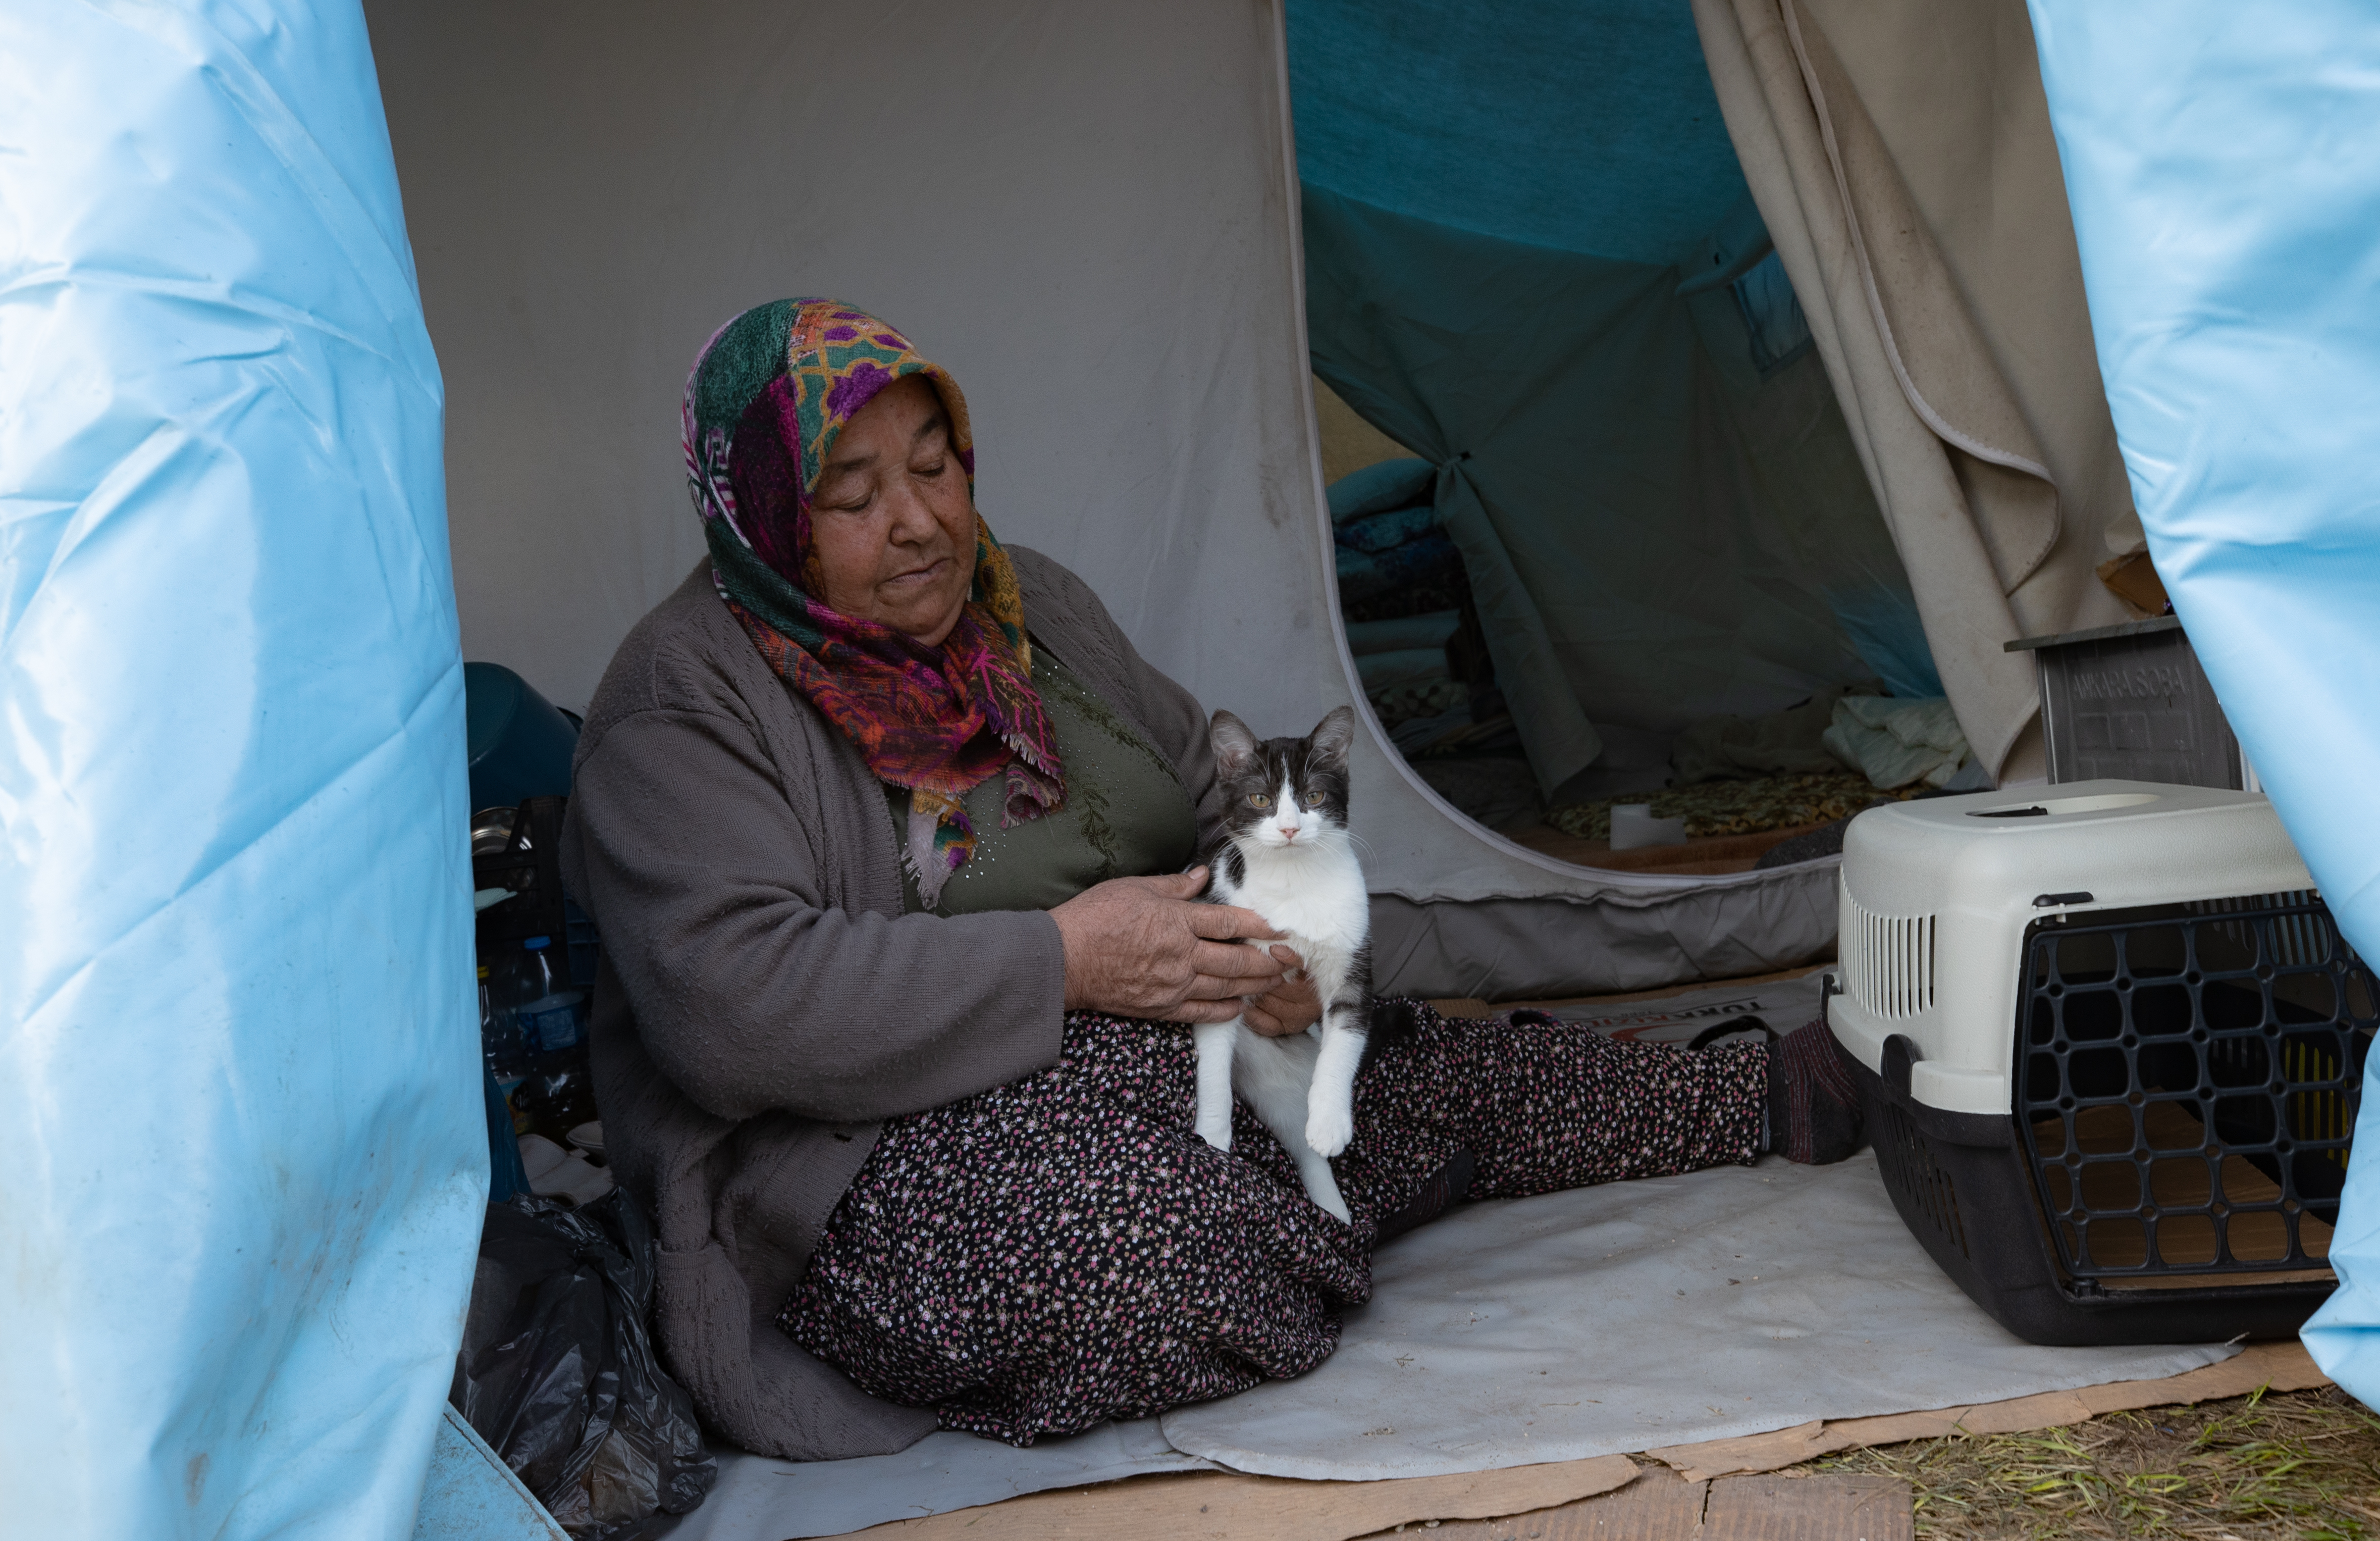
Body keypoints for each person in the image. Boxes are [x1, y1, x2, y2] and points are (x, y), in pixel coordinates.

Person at [559, 299, 1862, 1462]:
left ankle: (1772, 1090)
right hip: (870, 1156)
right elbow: (729, 1009)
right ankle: (1287, 1210)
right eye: (850, 496)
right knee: (1144, 1260)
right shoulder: (685, 703)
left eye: (934, 466)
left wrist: (1261, 951)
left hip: (1163, 1050)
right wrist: (1069, 962)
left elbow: (1207, 798)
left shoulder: (1032, 614)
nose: (918, 521)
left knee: (1411, 1063)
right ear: (764, 515)